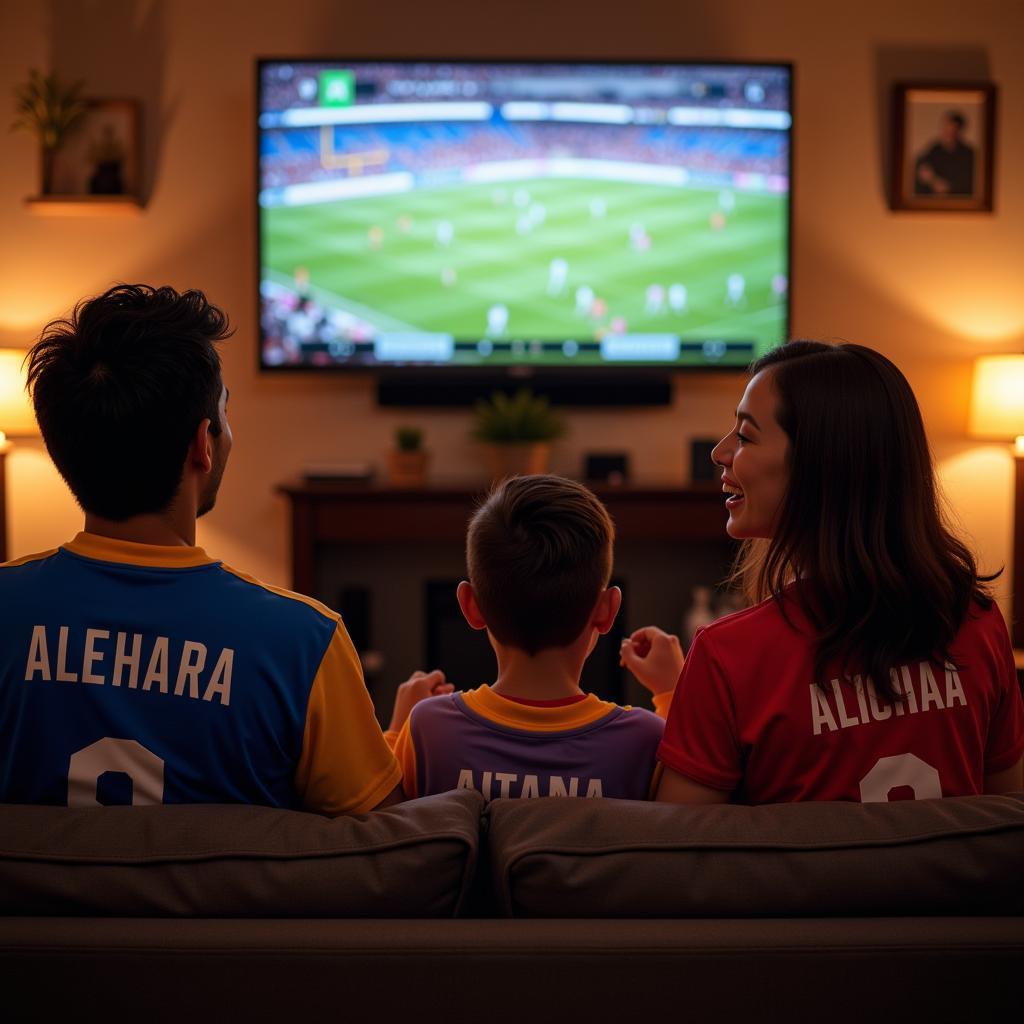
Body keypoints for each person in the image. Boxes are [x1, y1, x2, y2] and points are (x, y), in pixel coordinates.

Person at [0, 284, 402, 814]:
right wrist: (400, 735)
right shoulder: (302, 641)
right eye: (224, 414)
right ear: (203, 444)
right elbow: (387, 840)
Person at [624, 341, 1024, 804]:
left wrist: (683, 698)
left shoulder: (728, 656)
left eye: (746, 436)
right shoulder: (979, 623)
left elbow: (681, 854)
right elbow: (1007, 825)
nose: (720, 452)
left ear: (818, 466)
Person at [386, 475, 680, 801]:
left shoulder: (429, 730)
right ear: (607, 610)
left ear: (470, 606)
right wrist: (674, 695)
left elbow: (387, 823)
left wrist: (397, 731)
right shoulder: (644, 739)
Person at [915, 111, 975, 196]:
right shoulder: (934, 150)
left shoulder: (969, 154)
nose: (947, 132)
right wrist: (933, 181)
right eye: (945, 127)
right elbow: (923, 169)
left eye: (951, 128)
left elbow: (969, 182)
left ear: (959, 130)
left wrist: (949, 187)